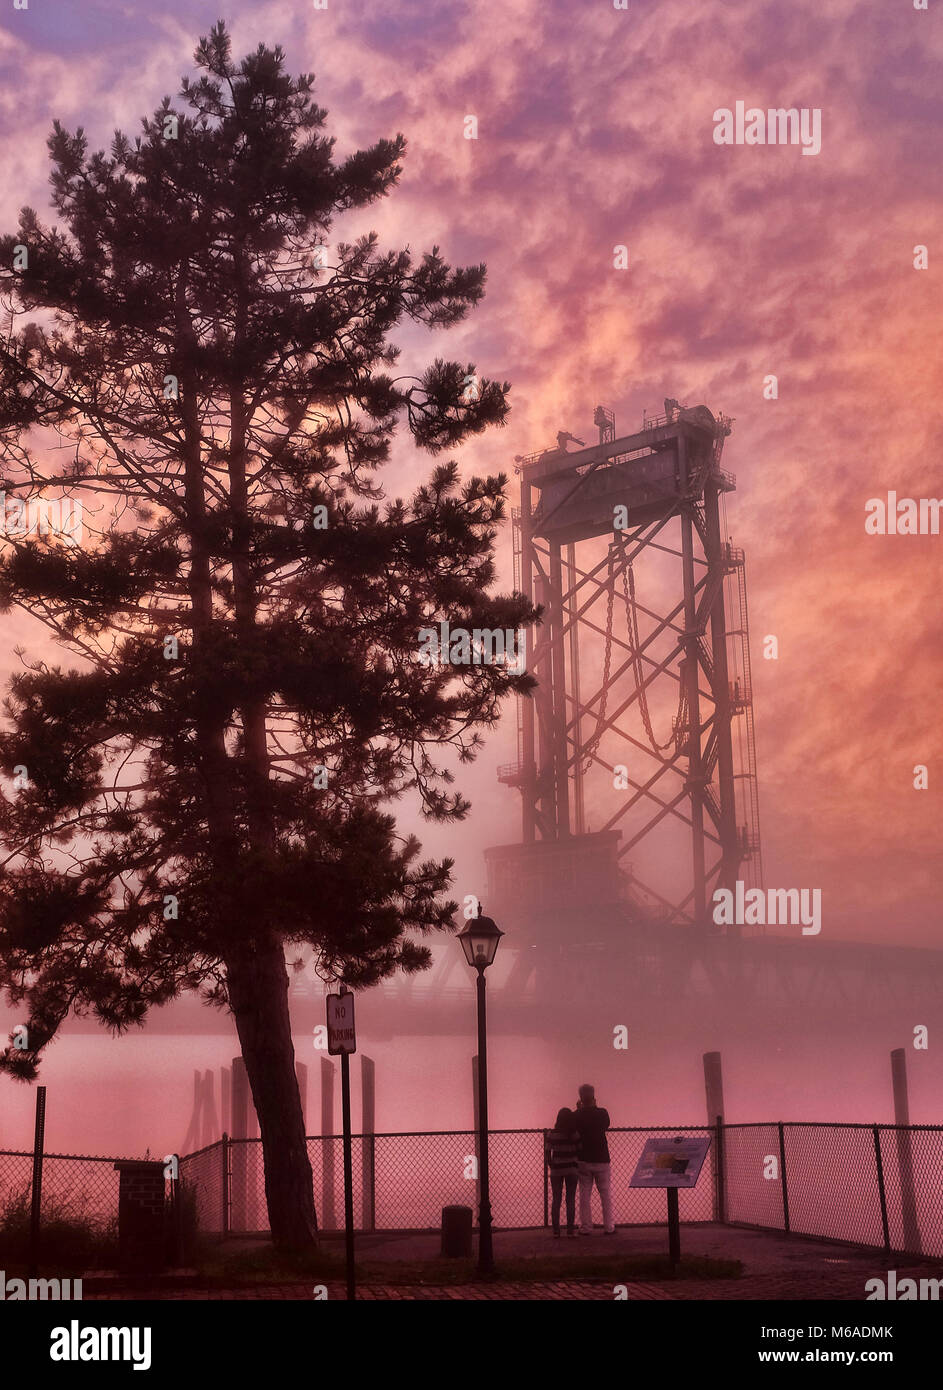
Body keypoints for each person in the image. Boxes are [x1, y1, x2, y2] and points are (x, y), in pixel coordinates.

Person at [574, 1083, 615, 1235]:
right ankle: (609, 1227)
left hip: (583, 1159)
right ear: (593, 1096)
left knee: (584, 1194)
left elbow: (576, 1125)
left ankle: (586, 1227)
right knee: (605, 1194)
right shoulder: (602, 1113)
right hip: (602, 1158)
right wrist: (594, 1106)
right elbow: (605, 1125)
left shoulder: (576, 1115)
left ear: (580, 1098)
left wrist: (580, 1110)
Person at [544, 1107, 580, 1237]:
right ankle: (570, 1230)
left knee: (556, 1199)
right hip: (572, 1169)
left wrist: (551, 1165)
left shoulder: (552, 1134)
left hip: (556, 1170)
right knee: (570, 1199)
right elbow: (579, 1149)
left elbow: (548, 1152)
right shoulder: (574, 1134)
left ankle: (556, 1231)